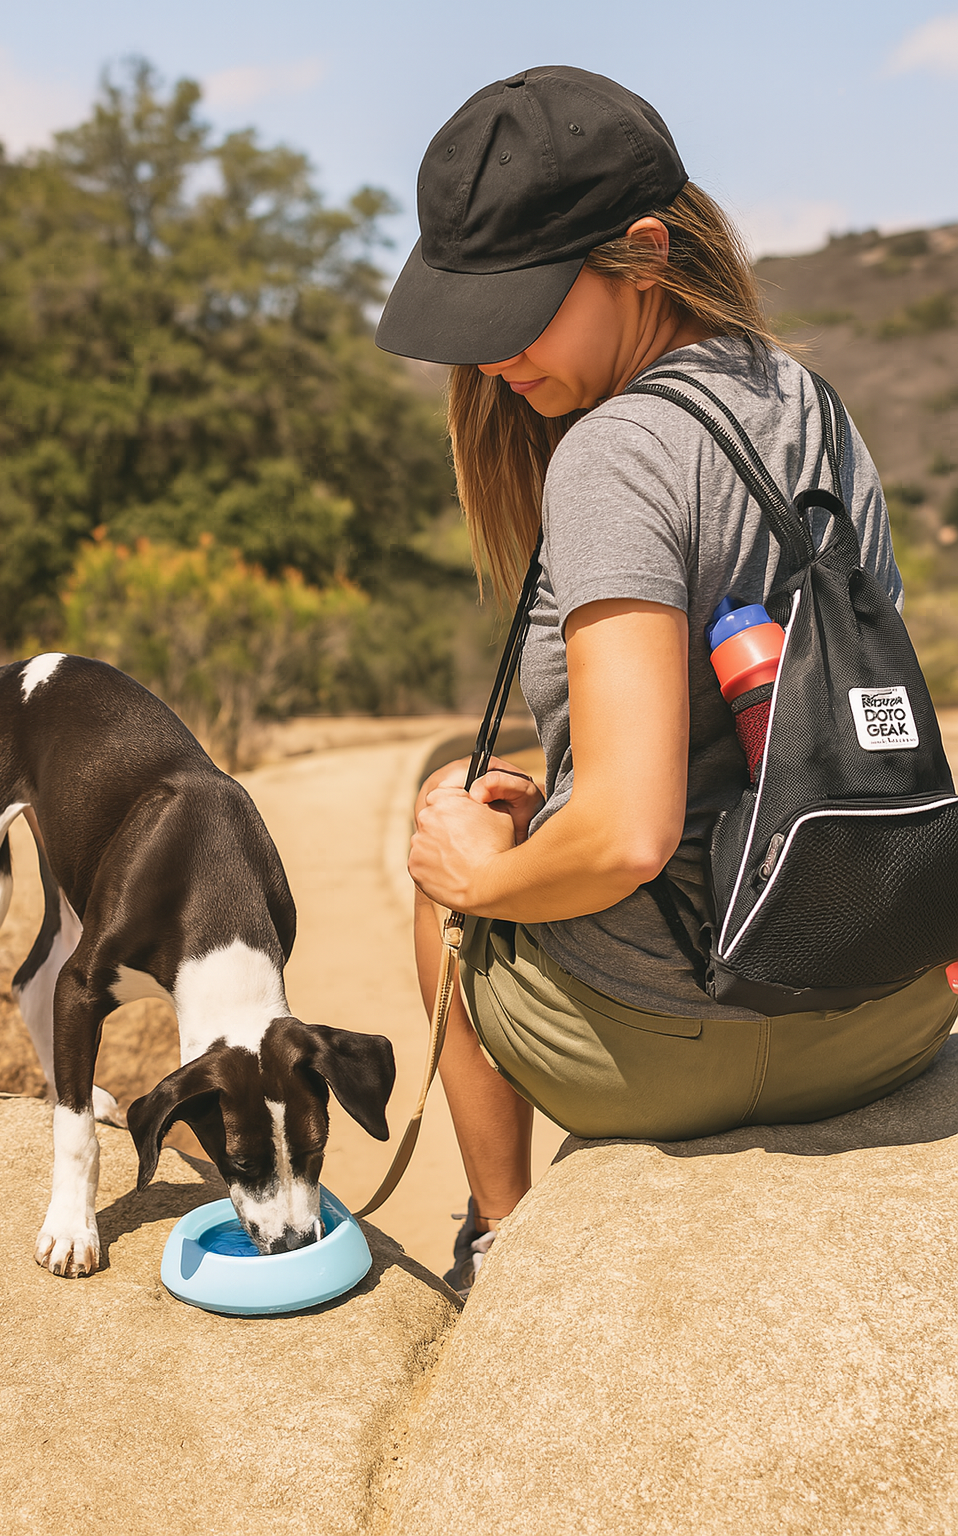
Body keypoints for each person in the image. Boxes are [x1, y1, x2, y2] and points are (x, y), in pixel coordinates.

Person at [375, 66, 958, 1294]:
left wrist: (486, 874)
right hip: (890, 1001)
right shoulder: (809, 400)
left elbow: (632, 835)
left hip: (690, 1039)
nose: (490, 364)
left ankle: (502, 1238)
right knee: (511, 799)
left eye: (519, 311)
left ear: (641, 253)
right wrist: (567, 796)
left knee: (448, 831)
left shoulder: (612, 451)